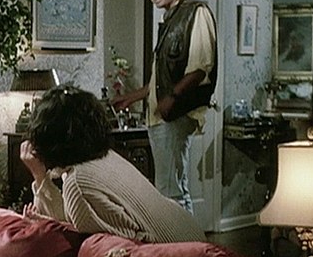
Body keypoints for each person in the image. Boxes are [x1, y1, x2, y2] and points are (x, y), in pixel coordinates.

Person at [20, 84, 205, 244]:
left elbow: (95, 246)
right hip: (193, 238)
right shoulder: (106, 157)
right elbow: (81, 220)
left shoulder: (77, 183)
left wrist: (40, 179)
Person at [112, 0, 217, 215]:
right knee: (169, 190)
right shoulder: (170, 20)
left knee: (172, 193)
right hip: (160, 117)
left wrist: (172, 98)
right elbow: (161, 80)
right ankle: (182, 238)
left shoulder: (196, 13)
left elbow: (201, 68)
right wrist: (132, 97)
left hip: (175, 116)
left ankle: (182, 240)